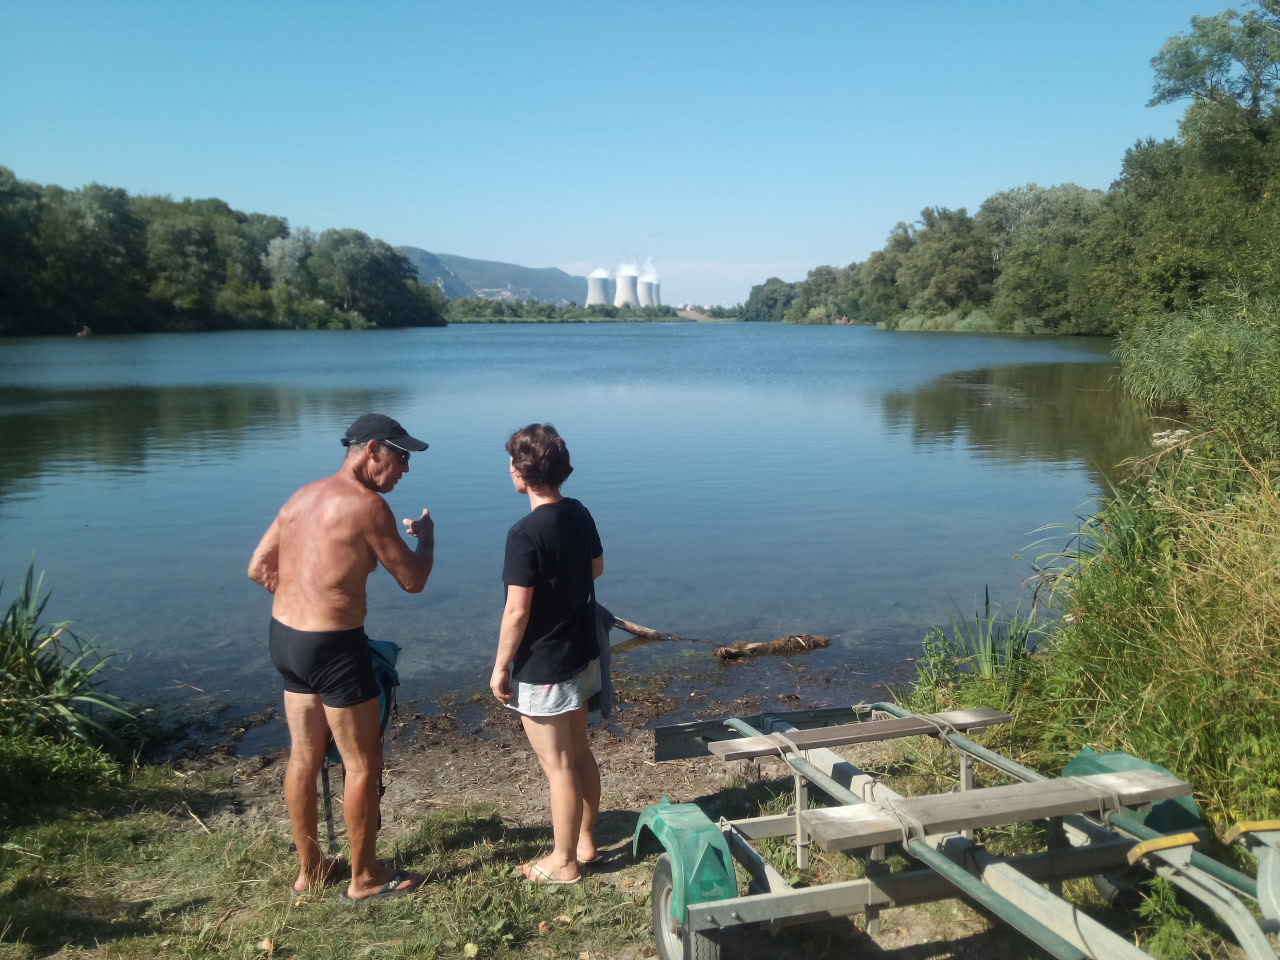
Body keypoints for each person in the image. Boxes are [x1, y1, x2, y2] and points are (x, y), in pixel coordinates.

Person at [247, 414, 433, 901]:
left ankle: (311, 870)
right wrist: (427, 540)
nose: (405, 469)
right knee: (362, 764)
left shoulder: (300, 496)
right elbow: (413, 581)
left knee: (304, 756)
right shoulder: (367, 506)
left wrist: (305, 602)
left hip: (285, 640)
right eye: (401, 457)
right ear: (372, 450)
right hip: (333, 647)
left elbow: (258, 567)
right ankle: (365, 877)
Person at [490, 423, 604, 885]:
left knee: (557, 766)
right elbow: (597, 567)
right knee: (578, 753)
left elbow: (517, 611)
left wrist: (500, 667)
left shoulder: (524, 533)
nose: (509, 469)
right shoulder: (577, 512)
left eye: (511, 462)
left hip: (544, 665)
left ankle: (563, 863)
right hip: (581, 652)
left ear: (523, 471)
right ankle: (585, 840)